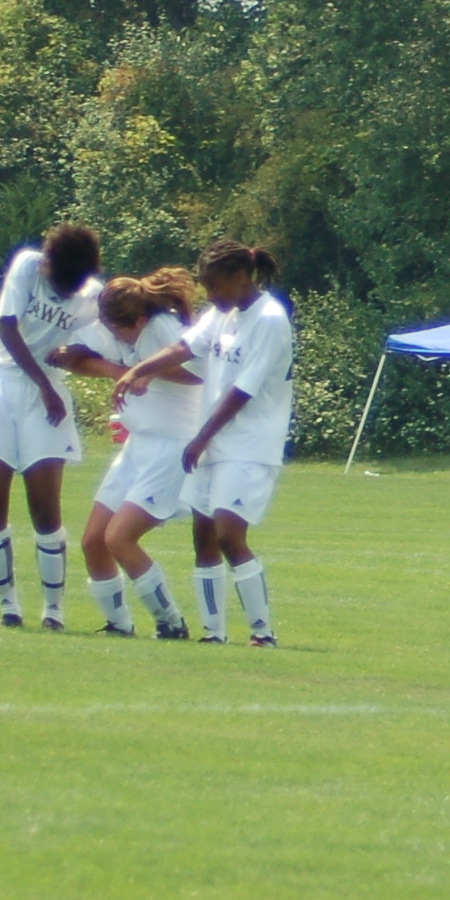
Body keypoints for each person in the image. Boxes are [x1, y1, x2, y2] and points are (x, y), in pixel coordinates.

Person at [121, 241, 293, 647]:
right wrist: (138, 369)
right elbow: (184, 347)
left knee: (229, 535)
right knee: (203, 535)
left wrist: (200, 438)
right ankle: (213, 633)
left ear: (241, 277)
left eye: (215, 285)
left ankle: (262, 632)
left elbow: (244, 390)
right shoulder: (222, 314)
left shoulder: (270, 318)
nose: (209, 294)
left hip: (249, 444)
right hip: (214, 440)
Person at [0, 223, 111, 629]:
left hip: (48, 396)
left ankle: (53, 610)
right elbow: (7, 327)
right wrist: (44, 385)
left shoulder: (93, 295)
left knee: (45, 507)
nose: (64, 290)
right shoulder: (28, 265)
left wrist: (75, 352)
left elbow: (102, 341)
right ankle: (8, 607)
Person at [75, 269, 204, 640]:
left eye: (120, 331)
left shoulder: (162, 327)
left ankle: (171, 623)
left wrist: (150, 370)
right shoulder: (113, 325)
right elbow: (70, 357)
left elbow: (202, 372)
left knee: (119, 538)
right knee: (93, 540)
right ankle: (118, 625)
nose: (115, 337)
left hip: (172, 446)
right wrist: (123, 370)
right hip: (138, 446)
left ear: (141, 320)